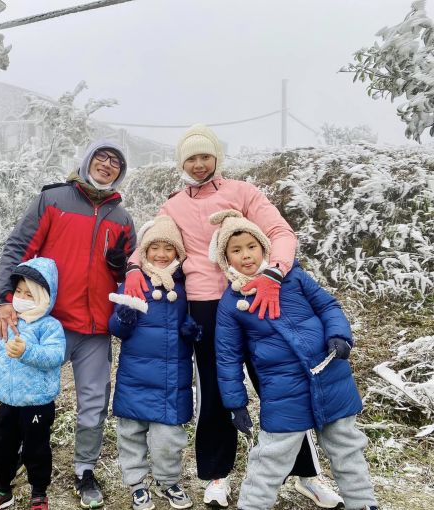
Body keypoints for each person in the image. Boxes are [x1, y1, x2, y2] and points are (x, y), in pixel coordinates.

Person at [123, 124, 343, 509]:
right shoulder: (173, 205)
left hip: (257, 296)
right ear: (182, 163)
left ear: (217, 158)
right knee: (213, 387)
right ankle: (216, 476)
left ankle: (306, 475)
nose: (199, 163)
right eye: (191, 157)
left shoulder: (243, 192)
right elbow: (154, 242)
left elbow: (281, 232)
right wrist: (131, 267)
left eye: (205, 155)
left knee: (280, 384)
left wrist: (275, 272)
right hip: (205, 304)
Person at [0, 140, 136, 508]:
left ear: (121, 172)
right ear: (87, 161)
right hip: (47, 324)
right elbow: (19, 246)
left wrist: (122, 271)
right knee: (25, 398)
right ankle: (9, 470)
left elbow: (132, 275)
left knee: (93, 403)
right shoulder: (53, 200)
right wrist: (4, 299)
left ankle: (85, 469)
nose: (107, 165)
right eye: (101, 158)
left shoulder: (122, 219)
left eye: (115, 162)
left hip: (96, 330)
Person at [209, 209, 378, 510]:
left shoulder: (294, 278)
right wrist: (235, 402)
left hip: (331, 376)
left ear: (264, 247)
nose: (246, 255)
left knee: (347, 448)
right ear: (226, 258)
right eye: (236, 250)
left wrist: (338, 334)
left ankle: (363, 503)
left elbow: (328, 307)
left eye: (251, 246)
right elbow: (227, 357)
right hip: (283, 389)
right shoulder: (232, 304)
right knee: (271, 458)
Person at [109, 216, 200, 510]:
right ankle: (136, 484)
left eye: (168, 248)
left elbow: (194, 323)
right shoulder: (132, 282)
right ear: (144, 252)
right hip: (135, 375)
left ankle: (168, 481)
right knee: (131, 432)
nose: (161, 254)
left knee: (169, 436)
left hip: (171, 376)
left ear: (178, 253)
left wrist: (192, 330)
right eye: (154, 248)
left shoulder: (186, 287)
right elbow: (117, 329)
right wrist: (124, 318)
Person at [0, 257, 65, 510]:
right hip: (7, 402)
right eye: (19, 292)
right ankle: (2, 490)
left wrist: (26, 351)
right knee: (1, 448)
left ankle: (39, 495)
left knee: (37, 451)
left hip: (37, 404)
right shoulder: (7, 322)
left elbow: (54, 357)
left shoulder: (50, 326)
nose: (22, 297)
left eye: (30, 294)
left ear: (45, 298)